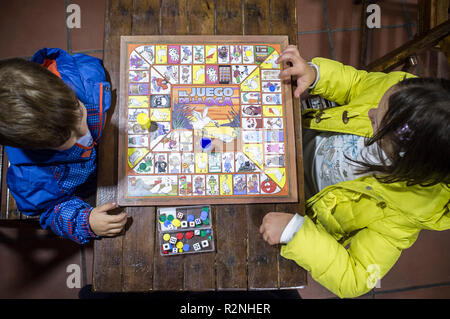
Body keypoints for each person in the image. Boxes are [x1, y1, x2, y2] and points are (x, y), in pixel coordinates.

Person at [259, 45, 450, 298]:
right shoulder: (403, 92)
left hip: (293, 204)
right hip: (294, 137)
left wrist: (296, 232)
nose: (370, 112)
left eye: (375, 122)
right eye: (379, 106)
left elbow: (357, 278)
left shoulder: (405, 215)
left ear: (405, 160)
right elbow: (358, 84)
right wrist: (315, 74)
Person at [0, 48, 127, 244]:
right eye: (68, 137)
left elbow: (92, 68)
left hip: (113, 142)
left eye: (77, 110)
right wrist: (87, 222)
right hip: (90, 186)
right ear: (41, 147)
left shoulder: (80, 75)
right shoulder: (33, 181)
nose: (83, 130)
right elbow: (51, 211)